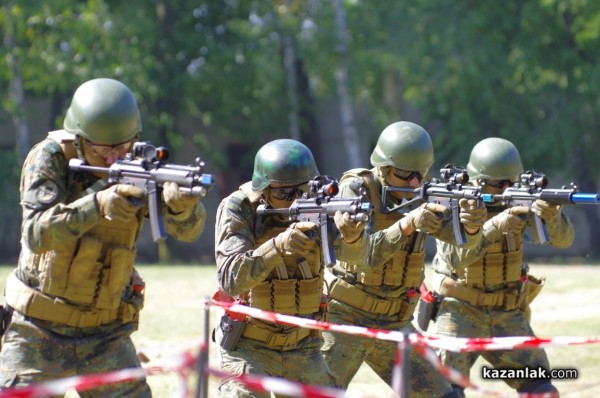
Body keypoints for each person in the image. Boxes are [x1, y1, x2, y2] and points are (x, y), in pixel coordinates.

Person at [0, 78, 207, 396]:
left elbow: (189, 232)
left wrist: (182, 208)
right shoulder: (50, 159)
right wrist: (98, 204)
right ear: (79, 140)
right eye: (102, 151)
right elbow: (36, 233)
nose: (114, 159)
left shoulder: (139, 165)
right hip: (37, 328)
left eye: (122, 147)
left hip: (106, 334)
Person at [320, 121, 487, 397]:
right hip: (346, 315)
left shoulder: (423, 193)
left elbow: (465, 250)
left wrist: (471, 226)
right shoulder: (356, 189)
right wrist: (408, 223)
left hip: (396, 320)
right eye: (406, 174)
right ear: (384, 168)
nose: (415, 183)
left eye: (420, 174)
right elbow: (363, 256)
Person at [214, 138, 369, 397]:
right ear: (262, 190)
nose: (296, 199)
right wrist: (278, 246)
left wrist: (353, 236)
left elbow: (359, 260)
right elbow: (231, 279)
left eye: (303, 190)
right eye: (284, 193)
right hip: (250, 345)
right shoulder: (240, 208)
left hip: (303, 346)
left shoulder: (324, 207)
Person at [431, 137, 574, 397]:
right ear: (478, 180)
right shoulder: (457, 203)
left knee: (540, 387)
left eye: (511, 181)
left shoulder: (518, 201)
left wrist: (551, 217)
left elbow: (564, 240)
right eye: (499, 183)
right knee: (446, 390)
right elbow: (454, 258)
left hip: (507, 312)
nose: (506, 188)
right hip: (460, 310)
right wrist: (496, 226)